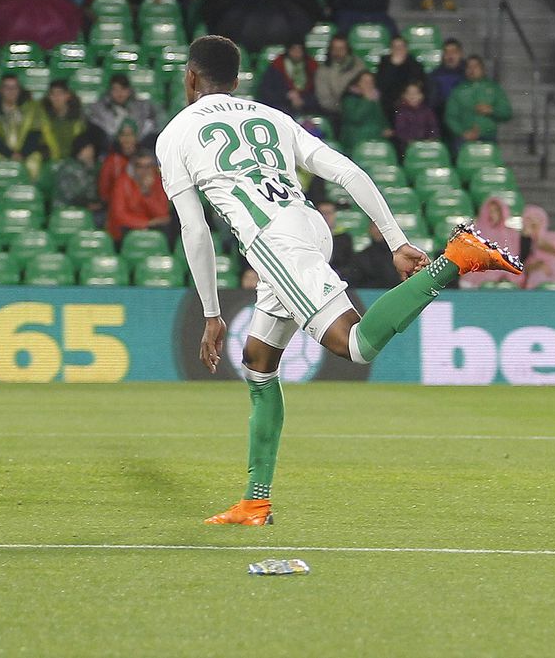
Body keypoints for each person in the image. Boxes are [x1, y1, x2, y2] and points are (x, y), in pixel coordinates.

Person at [156, 35, 521, 526]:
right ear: (238, 80)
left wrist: (212, 313)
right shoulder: (272, 117)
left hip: (273, 242)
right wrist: (394, 240)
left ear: (190, 77)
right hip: (309, 227)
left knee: (355, 347)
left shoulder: (175, 135)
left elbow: (195, 230)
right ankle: (255, 501)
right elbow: (348, 172)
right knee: (258, 362)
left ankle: (455, 258)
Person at [0, 73, 48, 177]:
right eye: (7, 87)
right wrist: (10, 154)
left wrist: (22, 154)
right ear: (1, 90)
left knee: (34, 161)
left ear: (19, 90)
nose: (11, 91)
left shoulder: (31, 109)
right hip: (1, 153)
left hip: (26, 153)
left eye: (14, 87)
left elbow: (35, 134)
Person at [444, 56, 512, 145]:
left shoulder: (494, 88)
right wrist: (462, 133)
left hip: (488, 137)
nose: (472, 70)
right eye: (469, 67)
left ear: (483, 69)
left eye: (476, 66)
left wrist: (491, 110)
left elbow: (507, 113)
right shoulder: (458, 90)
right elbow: (450, 117)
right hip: (464, 138)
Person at [84, 73, 161, 152]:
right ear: (110, 91)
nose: (119, 93)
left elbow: (150, 127)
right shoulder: (99, 109)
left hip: (139, 148)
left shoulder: (143, 107)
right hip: (110, 150)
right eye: (115, 90)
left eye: (123, 89)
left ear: (129, 90)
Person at [106, 150, 171, 243]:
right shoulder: (123, 183)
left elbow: (163, 215)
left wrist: (147, 193)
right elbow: (119, 215)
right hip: (128, 228)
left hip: (154, 228)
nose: (145, 171)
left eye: (148, 166)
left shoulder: (159, 183)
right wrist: (147, 223)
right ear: (134, 168)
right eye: (140, 166)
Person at [375, 37, 426, 115]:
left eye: (401, 46)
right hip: (388, 105)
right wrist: (392, 66)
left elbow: (417, 84)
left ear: (406, 49)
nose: (398, 49)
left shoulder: (414, 64)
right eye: (395, 47)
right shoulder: (384, 63)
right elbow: (381, 85)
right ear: (391, 50)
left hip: (408, 104)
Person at [313, 35, 364, 112]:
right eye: (334, 48)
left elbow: (366, 92)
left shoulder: (358, 66)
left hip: (358, 111)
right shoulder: (322, 71)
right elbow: (324, 99)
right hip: (333, 113)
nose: (337, 52)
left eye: (341, 49)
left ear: (347, 50)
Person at [339, 72, 389, 148]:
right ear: (358, 83)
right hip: (356, 139)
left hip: (375, 137)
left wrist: (385, 127)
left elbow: (380, 117)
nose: (368, 85)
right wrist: (366, 100)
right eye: (365, 82)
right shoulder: (349, 99)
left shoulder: (375, 98)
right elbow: (355, 117)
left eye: (371, 82)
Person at [40, 79, 86, 161]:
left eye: (60, 93)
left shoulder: (79, 117)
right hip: (49, 160)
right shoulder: (43, 117)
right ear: (49, 97)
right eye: (53, 94)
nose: (56, 97)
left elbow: (84, 140)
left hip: (74, 160)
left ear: (67, 95)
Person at [392, 82, 441, 149]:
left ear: (421, 95)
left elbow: (433, 127)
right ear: (404, 96)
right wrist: (409, 140)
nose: (412, 96)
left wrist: (431, 138)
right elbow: (400, 130)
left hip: (427, 144)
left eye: (415, 93)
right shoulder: (401, 112)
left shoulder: (428, 111)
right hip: (408, 146)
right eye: (409, 94)